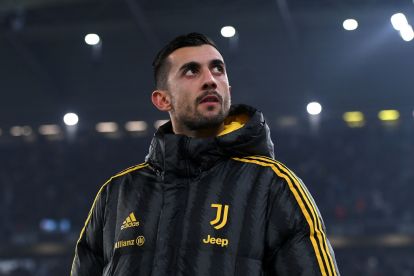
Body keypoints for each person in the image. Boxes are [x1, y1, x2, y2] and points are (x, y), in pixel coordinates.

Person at [71, 32, 340, 276]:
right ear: (162, 99)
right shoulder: (116, 194)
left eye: (218, 70)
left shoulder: (273, 185)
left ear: (229, 91)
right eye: (191, 72)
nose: (210, 80)